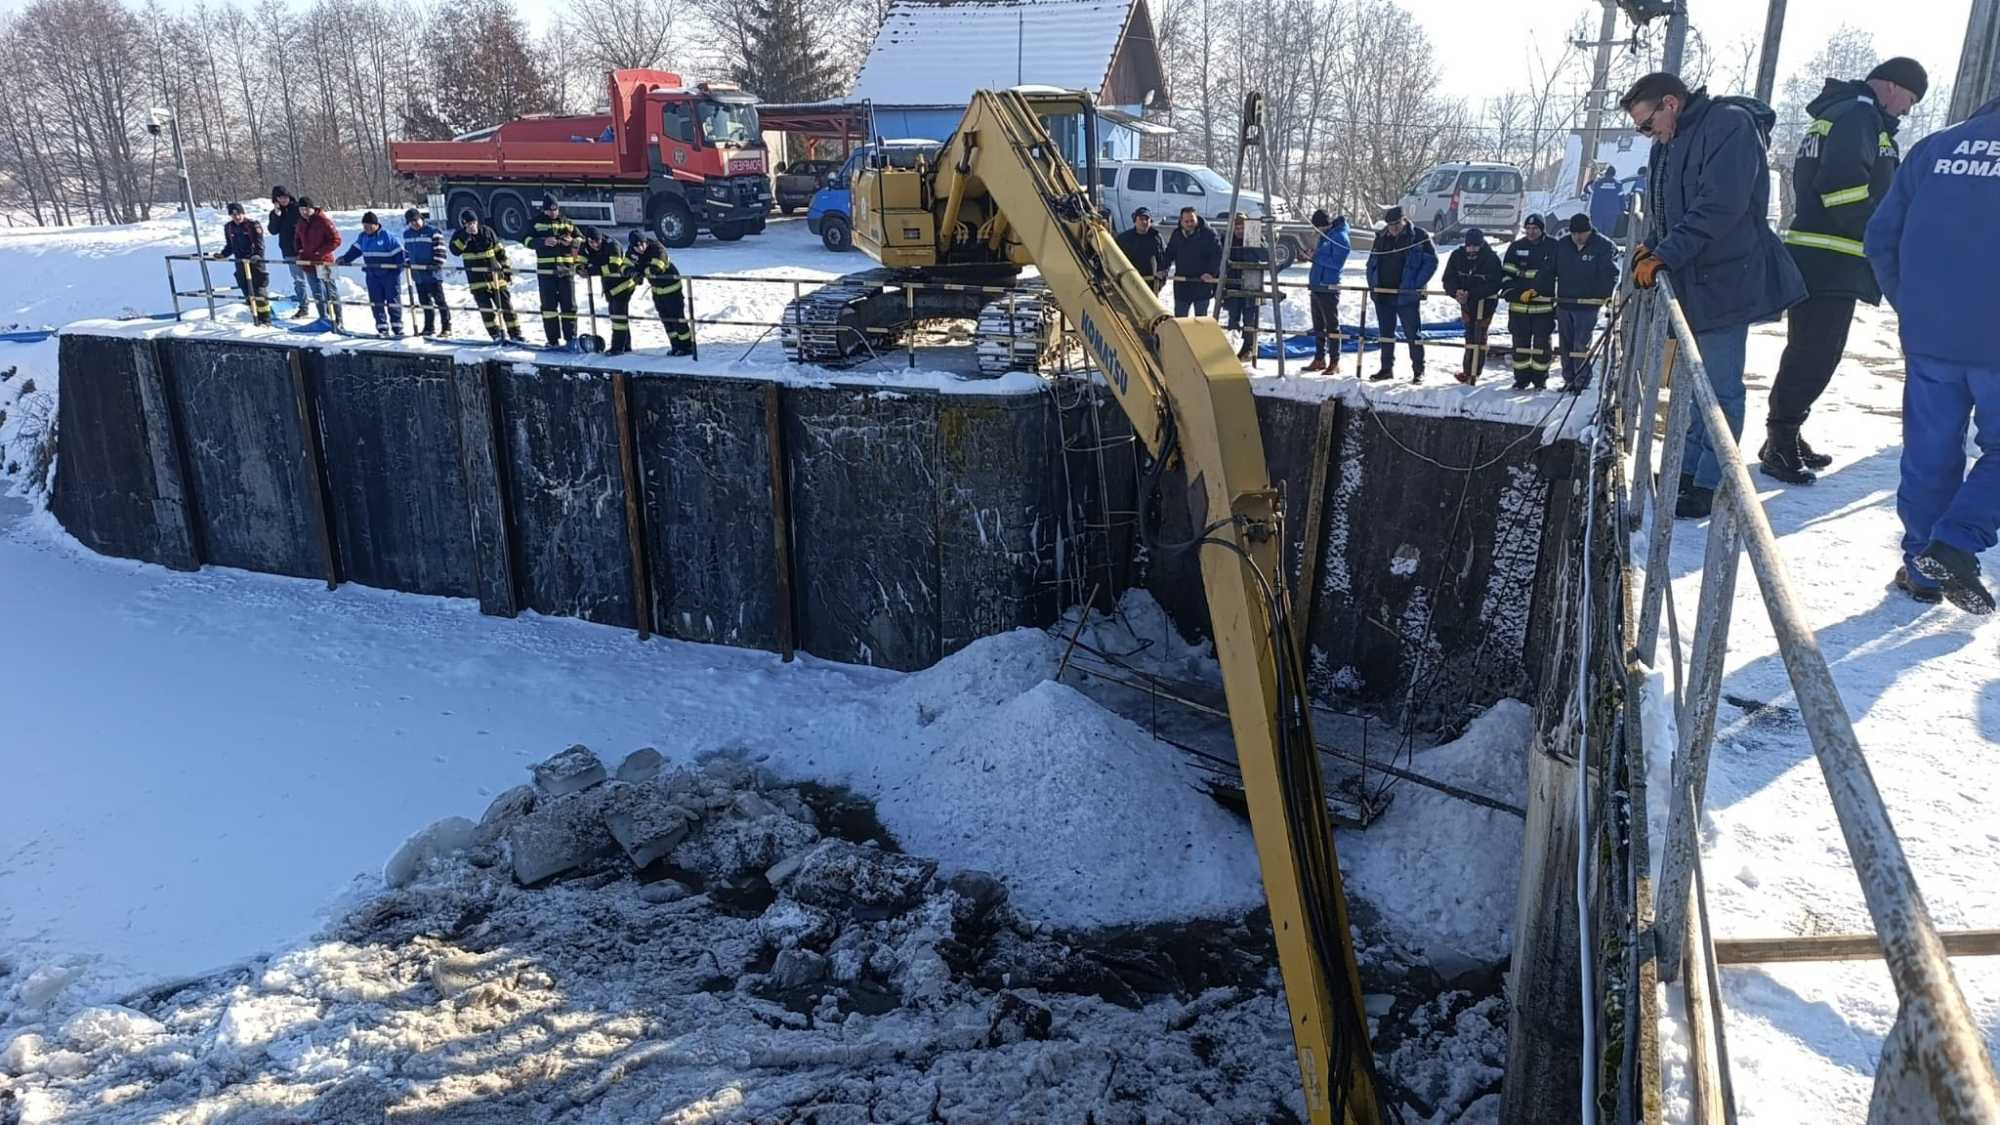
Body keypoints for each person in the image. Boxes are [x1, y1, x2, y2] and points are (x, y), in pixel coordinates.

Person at [1623, 70, 1806, 519]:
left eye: (1648, 123)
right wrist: (1653, 243)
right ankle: (1684, 471)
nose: (1648, 133)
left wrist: (1666, 253)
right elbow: (1666, 204)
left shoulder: (1728, 125)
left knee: (1719, 388)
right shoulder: (1671, 140)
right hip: (1692, 277)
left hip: (1726, 279)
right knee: (1689, 384)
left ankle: (1709, 481)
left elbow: (1719, 206)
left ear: (1672, 102)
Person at [1864, 93, 1999, 614]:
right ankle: (1956, 543)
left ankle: (1922, 564)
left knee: (1929, 451)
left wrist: (1913, 305)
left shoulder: (1935, 149)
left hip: (1932, 337)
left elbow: (1880, 236)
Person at [1764, 56, 1928, 484]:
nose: (1906, 111)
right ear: (1891, 86)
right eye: (1909, 99)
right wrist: (1881, 237)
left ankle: (1785, 433)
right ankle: (1779, 442)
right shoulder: (1859, 115)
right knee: (1815, 354)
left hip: (1823, 255)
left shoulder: (1843, 112)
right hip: (1832, 257)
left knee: (1809, 352)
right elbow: (1842, 188)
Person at [1364, 205, 1436, 382]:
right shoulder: (1381, 237)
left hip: (1406, 295)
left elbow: (1431, 263)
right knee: (1386, 334)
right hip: (1383, 294)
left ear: (1404, 220)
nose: (1394, 228)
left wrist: (1414, 284)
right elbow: (1371, 262)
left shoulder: (1419, 236)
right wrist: (1373, 283)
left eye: (1397, 223)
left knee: (1413, 334)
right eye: (1390, 224)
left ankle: (1419, 370)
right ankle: (1386, 368)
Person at [1552, 213, 1617, 391]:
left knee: (1580, 344)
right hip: (1565, 303)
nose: (1578, 237)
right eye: (1574, 234)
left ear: (1589, 231)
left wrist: (1603, 296)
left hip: (1587, 306)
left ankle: (1582, 380)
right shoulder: (1562, 245)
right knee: (1565, 345)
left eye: (1582, 233)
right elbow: (1550, 270)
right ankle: (1568, 379)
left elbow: (1610, 274)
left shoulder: (1603, 246)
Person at [1499, 214, 1558, 390]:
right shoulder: (1516, 247)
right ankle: (1521, 379)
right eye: (1528, 229)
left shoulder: (1553, 247)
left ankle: (1540, 380)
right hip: (1519, 309)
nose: (1531, 232)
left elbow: (1552, 274)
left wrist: (1536, 288)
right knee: (1519, 346)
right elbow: (1507, 273)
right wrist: (1515, 293)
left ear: (1542, 229)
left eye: (1535, 229)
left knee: (1541, 347)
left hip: (1543, 308)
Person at [1441, 228, 1503, 384]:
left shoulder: (1491, 259)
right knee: (1469, 335)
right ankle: (1468, 371)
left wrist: (1472, 293)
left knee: (1479, 337)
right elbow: (1448, 279)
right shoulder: (1457, 256)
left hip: (1485, 304)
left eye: (1475, 247)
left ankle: (1474, 372)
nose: (1472, 250)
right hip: (1466, 304)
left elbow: (1494, 284)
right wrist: (1456, 292)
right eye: (1469, 247)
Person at [336, 210, 407, 336]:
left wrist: (397, 270)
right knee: (376, 302)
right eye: (364, 226)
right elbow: (355, 250)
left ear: (376, 225)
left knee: (393, 301)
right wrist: (345, 258)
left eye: (369, 226)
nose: (367, 229)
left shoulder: (388, 237)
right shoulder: (363, 237)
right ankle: (382, 328)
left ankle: (397, 328)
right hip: (373, 275)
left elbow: (401, 256)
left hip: (389, 275)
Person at [525, 195, 581, 347]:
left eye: (555, 210)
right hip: (546, 272)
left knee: (569, 306)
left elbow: (581, 239)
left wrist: (572, 242)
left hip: (566, 271)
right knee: (549, 307)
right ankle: (552, 340)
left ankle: (571, 339)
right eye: (549, 210)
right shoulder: (536, 223)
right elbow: (525, 240)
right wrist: (542, 242)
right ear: (544, 210)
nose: (552, 213)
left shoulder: (567, 223)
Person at [629, 230, 693, 356]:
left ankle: (687, 347)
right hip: (657, 290)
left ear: (645, 241)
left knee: (677, 318)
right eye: (637, 246)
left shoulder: (657, 248)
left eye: (642, 244)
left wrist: (640, 271)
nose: (640, 248)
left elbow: (657, 268)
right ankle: (675, 345)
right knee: (666, 320)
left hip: (671, 288)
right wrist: (632, 273)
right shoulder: (632, 252)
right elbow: (625, 265)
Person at [1303, 209, 1350, 372]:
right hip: (1317, 285)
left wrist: (1316, 257)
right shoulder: (1325, 236)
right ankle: (1319, 358)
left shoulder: (1339, 237)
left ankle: (1335, 360)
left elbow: (1337, 263)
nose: (1316, 231)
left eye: (1317, 227)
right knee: (1318, 326)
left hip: (1329, 287)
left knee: (1331, 325)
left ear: (1324, 225)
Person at [578, 226, 637, 355]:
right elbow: (580, 262)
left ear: (601, 238)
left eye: (597, 241)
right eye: (591, 242)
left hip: (624, 285)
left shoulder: (613, 245)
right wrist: (580, 269)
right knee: (615, 315)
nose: (595, 245)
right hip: (609, 287)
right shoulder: (585, 246)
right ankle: (626, 345)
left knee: (618, 316)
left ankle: (618, 348)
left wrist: (591, 270)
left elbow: (614, 268)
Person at [1221, 213, 1269, 362]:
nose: (1240, 230)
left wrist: (1254, 243)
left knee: (1250, 320)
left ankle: (1248, 348)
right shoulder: (1227, 240)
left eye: (1243, 227)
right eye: (1237, 227)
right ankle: (1229, 347)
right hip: (1233, 284)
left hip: (1251, 285)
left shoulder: (1257, 239)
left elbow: (1266, 257)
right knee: (1233, 319)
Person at [214, 202, 272, 326]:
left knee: (259, 290)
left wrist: (257, 256)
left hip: (254, 262)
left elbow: (259, 244)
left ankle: (266, 320)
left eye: (238, 214)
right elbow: (230, 246)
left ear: (243, 213)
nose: (236, 217)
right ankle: (255, 315)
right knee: (246, 289)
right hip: (240, 263)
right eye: (233, 215)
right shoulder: (229, 227)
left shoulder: (252, 225)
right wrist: (223, 254)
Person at [401, 207, 451, 337]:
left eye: (416, 220)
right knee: (425, 302)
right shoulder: (407, 234)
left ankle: (446, 326)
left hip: (432, 273)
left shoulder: (433, 232)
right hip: (418, 275)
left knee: (440, 301)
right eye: (411, 222)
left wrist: (436, 264)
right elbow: (407, 252)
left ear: (421, 219)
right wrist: (408, 263)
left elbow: (441, 251)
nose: (414, 224)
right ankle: (429, 327)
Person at [293, 196, 343, 325]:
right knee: (317, 292)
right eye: (301, 209)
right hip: (308, 263)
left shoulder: (323, 221)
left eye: (306, 209)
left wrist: (320, 252)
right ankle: (323, 318)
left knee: (331, 291)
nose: (304, 212)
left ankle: (338, 320)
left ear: (312, 208)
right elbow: (297, 239)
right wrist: (299, 250)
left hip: (325, 261)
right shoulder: (300, 222)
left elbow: (336, 240)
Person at [1164, 207, 1221, 317]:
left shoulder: (1208, 234)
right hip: (1182, 284)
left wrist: (1210, 273)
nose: (1190, 224)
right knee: (1180, 318)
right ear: (1181, 221)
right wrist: (1163, 269)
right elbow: (1169, 253)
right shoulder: (1177, 234)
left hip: (1202, 284)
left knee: (1200, 320)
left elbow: (1217, 256)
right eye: (1186, 221)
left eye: (1192, 221)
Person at [266, 187, 312, 319]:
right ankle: (304, 307)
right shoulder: (275, 213)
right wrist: (276, 215)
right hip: (288, 250)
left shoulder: (297, 209)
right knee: (298, 280)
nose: (283, 200)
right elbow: (273, 230)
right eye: (280, 198)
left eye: (285, 197)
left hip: (305, 249)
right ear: (276, 200)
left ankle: (325, 307)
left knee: (314, 278)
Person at [1113, 207, 1167, 292]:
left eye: (1147, 219)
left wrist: (1161, 276)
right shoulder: (1124, 238)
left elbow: (1164, 259)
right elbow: (1114, 258)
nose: (1144, 222)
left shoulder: (1156, 237)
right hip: (1128, 282)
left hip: (1150, 284)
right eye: (1141, 219)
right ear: (1135, 220)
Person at [1588, 166, 1624, 237]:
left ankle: (1597, 247)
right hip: (1612, 213)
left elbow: (1588, 189)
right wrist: (1621, 210)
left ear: (1606, 173)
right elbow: (1621, 199)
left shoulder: (1598, 183)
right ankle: (1606, 246)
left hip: (1597, 212)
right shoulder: (1618, 184)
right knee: (1608, 234)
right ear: (1614, 174)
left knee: (1597, 233)